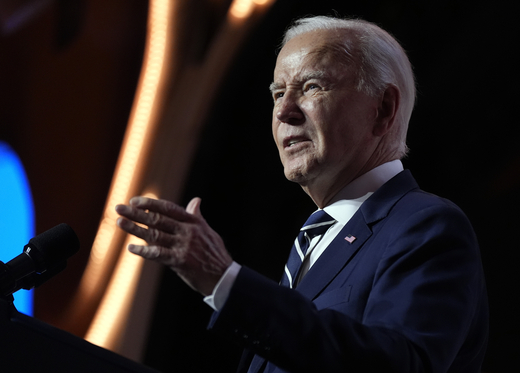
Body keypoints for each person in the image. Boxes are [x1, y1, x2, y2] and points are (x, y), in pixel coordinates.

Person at [116, 16, 488, 373]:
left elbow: (396, 365)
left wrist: (224, 281)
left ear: (383, 109)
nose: (284, 111)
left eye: (311, 86)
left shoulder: (426, 226)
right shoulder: (314, 239)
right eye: (278, 93)